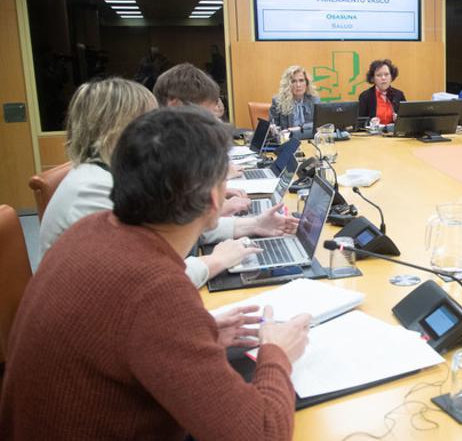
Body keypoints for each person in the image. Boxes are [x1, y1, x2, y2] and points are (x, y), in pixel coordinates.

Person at [1, 107, 310, 440]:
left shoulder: (90, 229)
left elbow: (125, 336)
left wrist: (196, 337)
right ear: (213, 199)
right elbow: (262, 434)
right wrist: (276, 353)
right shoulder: (154, 291)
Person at [40, 78, 294, 288]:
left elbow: (175, 226)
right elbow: (147, 282)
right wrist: (215, 261)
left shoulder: (111, 174)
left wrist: (254, 224)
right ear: (118, 128)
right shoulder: (92, 192)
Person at [268, 65, 321, 131]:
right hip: (287, 137)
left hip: (308, 137)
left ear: (307, 83)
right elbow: (273, 127)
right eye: (293, 81)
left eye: (301, 80)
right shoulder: (278, 102)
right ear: (288, 84)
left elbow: (319, 124)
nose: (298, 85)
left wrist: (300, 128)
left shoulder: (314, 100)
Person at [358, 59, 406, 125]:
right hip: (374, 131)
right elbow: (360, 121)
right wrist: (370, 121)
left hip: (394, 131)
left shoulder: (399, 95)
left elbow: (407, 119)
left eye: (386, 74)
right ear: (373, 78)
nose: (383, 78)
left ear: (391, 77)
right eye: (379, 75)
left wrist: (400, 119)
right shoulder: (365, 96)